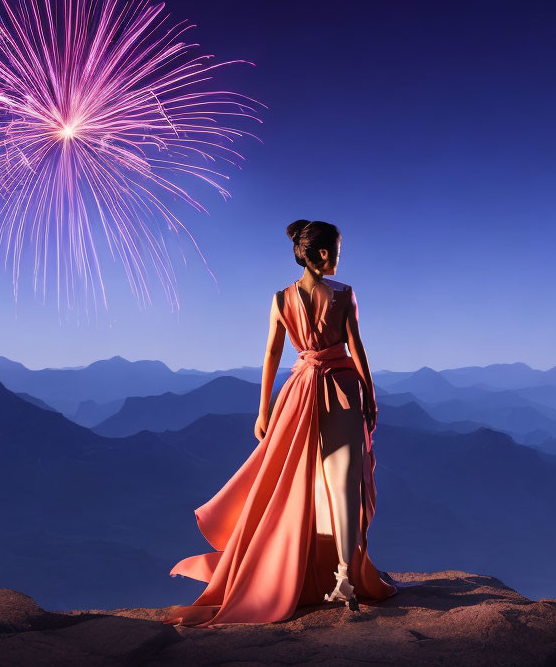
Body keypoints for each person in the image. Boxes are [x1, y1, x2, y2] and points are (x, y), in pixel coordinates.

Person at [162, 219, 398, 627]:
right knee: (343, 485)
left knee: (292, 482)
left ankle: (320, 571)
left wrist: (263, 409)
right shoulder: (344, 295)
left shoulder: (279, 298)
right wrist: (371, 396)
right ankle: (344, 578)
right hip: (341, 388)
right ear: (323, 253)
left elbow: (271, 354)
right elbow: (356, 348)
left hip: (299, 390)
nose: (340, 257)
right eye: (338, 250)